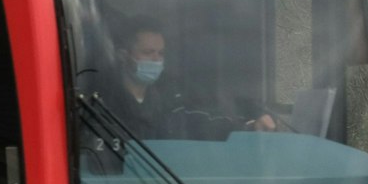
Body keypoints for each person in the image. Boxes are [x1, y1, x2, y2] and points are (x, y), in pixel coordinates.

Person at [118, 16, 278, 140]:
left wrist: (250, 128)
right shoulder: (106, 103)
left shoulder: (172, 100)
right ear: (123, 56)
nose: (156, 59)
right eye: (147, 53)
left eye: (161, 53)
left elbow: (208, 125)